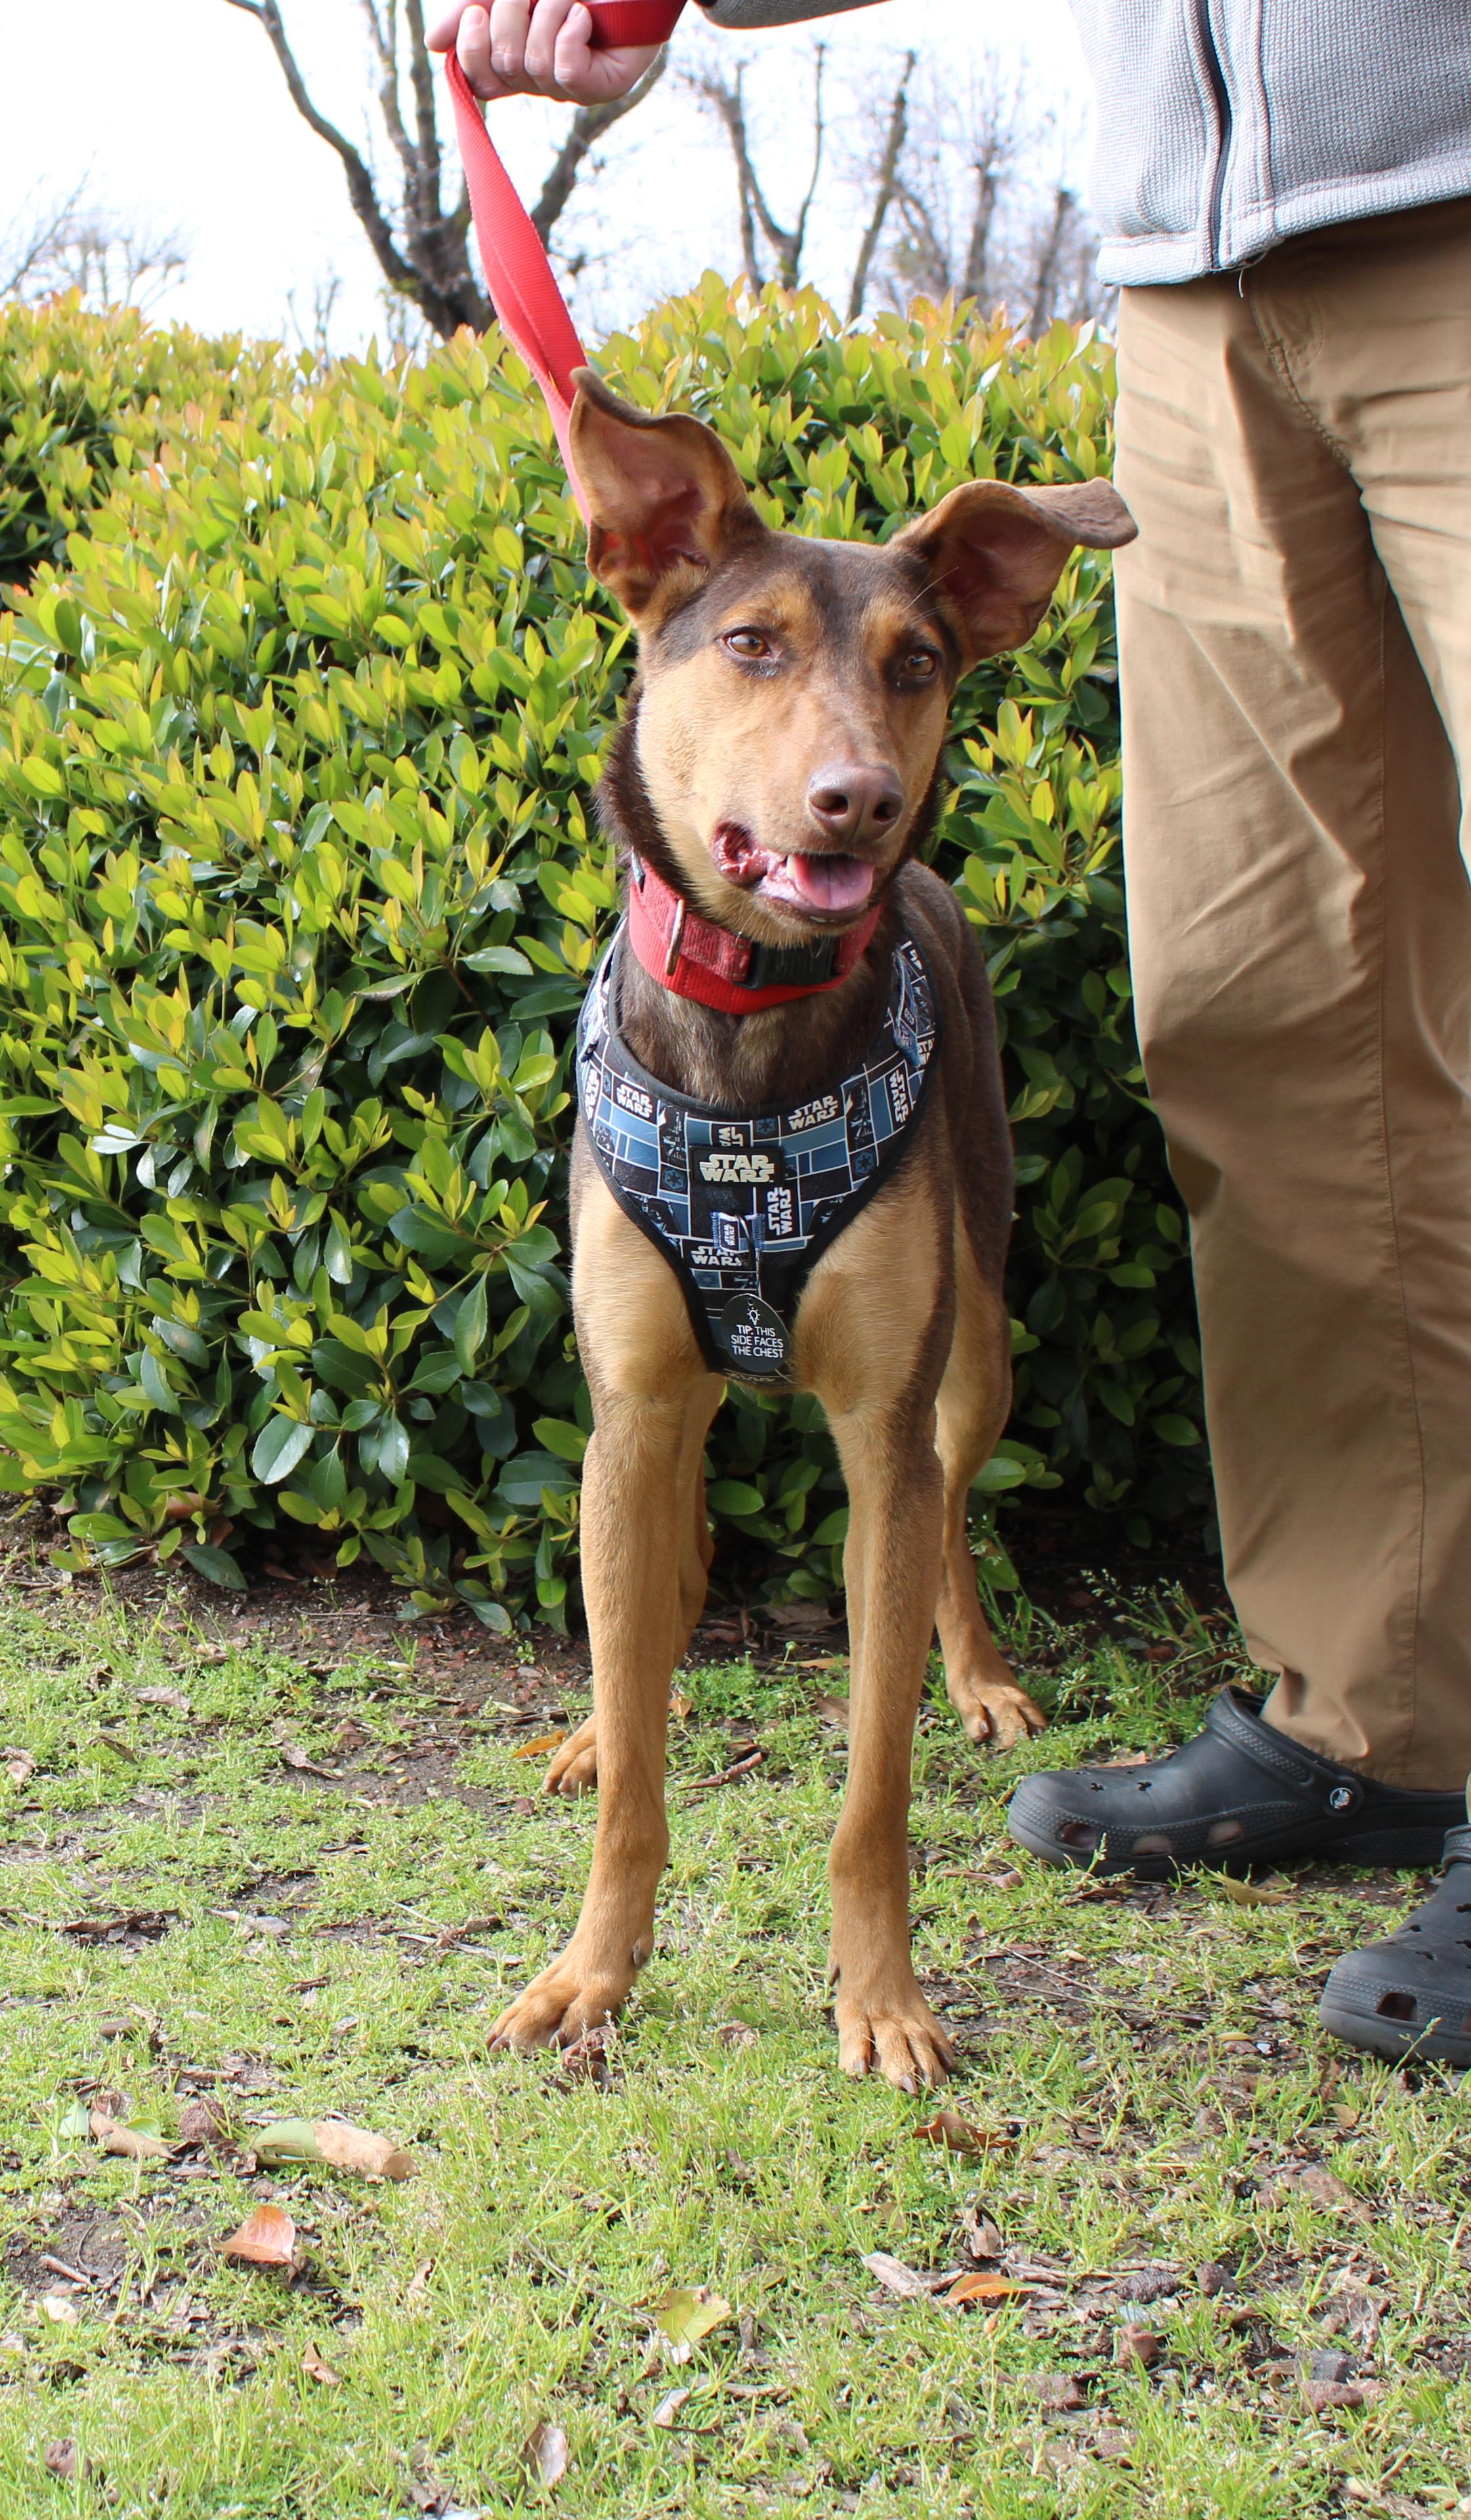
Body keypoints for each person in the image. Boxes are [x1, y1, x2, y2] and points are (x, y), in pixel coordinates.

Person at [429, 0, 1471, 2068]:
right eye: (762, 670)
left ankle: (872, 1891)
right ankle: (1379, 1718)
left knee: (938, 1396)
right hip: (1191, 267)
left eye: (898, 693)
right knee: (1280, 1043)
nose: (849, 767)